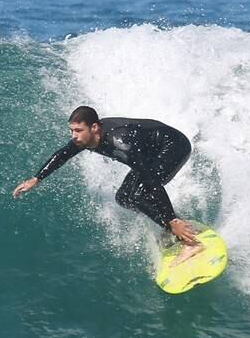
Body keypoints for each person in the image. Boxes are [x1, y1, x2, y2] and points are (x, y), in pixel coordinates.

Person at [12, 106, 201, 247]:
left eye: (78, 130)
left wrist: (171, 219)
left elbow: (151, 182)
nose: (74, 136)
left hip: (173, 146)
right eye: (72, 130)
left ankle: (179, 228)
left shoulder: (121, 143)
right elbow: (63, 154)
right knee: (124, 198)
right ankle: (173, 225)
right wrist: (36, 179)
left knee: (140, 194)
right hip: (149, 152)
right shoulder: (86, 139)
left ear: (94, 128)